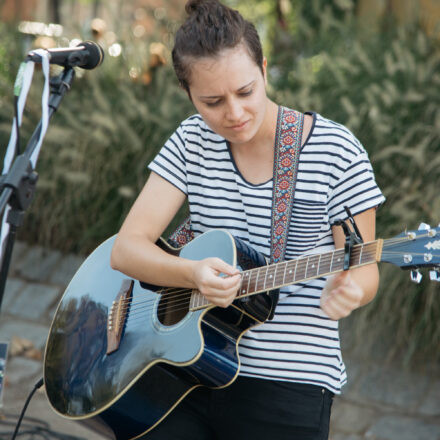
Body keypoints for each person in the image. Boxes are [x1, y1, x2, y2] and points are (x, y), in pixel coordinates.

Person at [110, 0, 385, 438]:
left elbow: (364, 264)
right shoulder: (192, 141)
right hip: (184, 368)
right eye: (213, 101)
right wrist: (191, 272)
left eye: (245, 92)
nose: (234, 115)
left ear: (264, 67)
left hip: (289, 378)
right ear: (188, 94)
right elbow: (127, 249)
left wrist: (353, 287)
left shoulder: (336, 151)